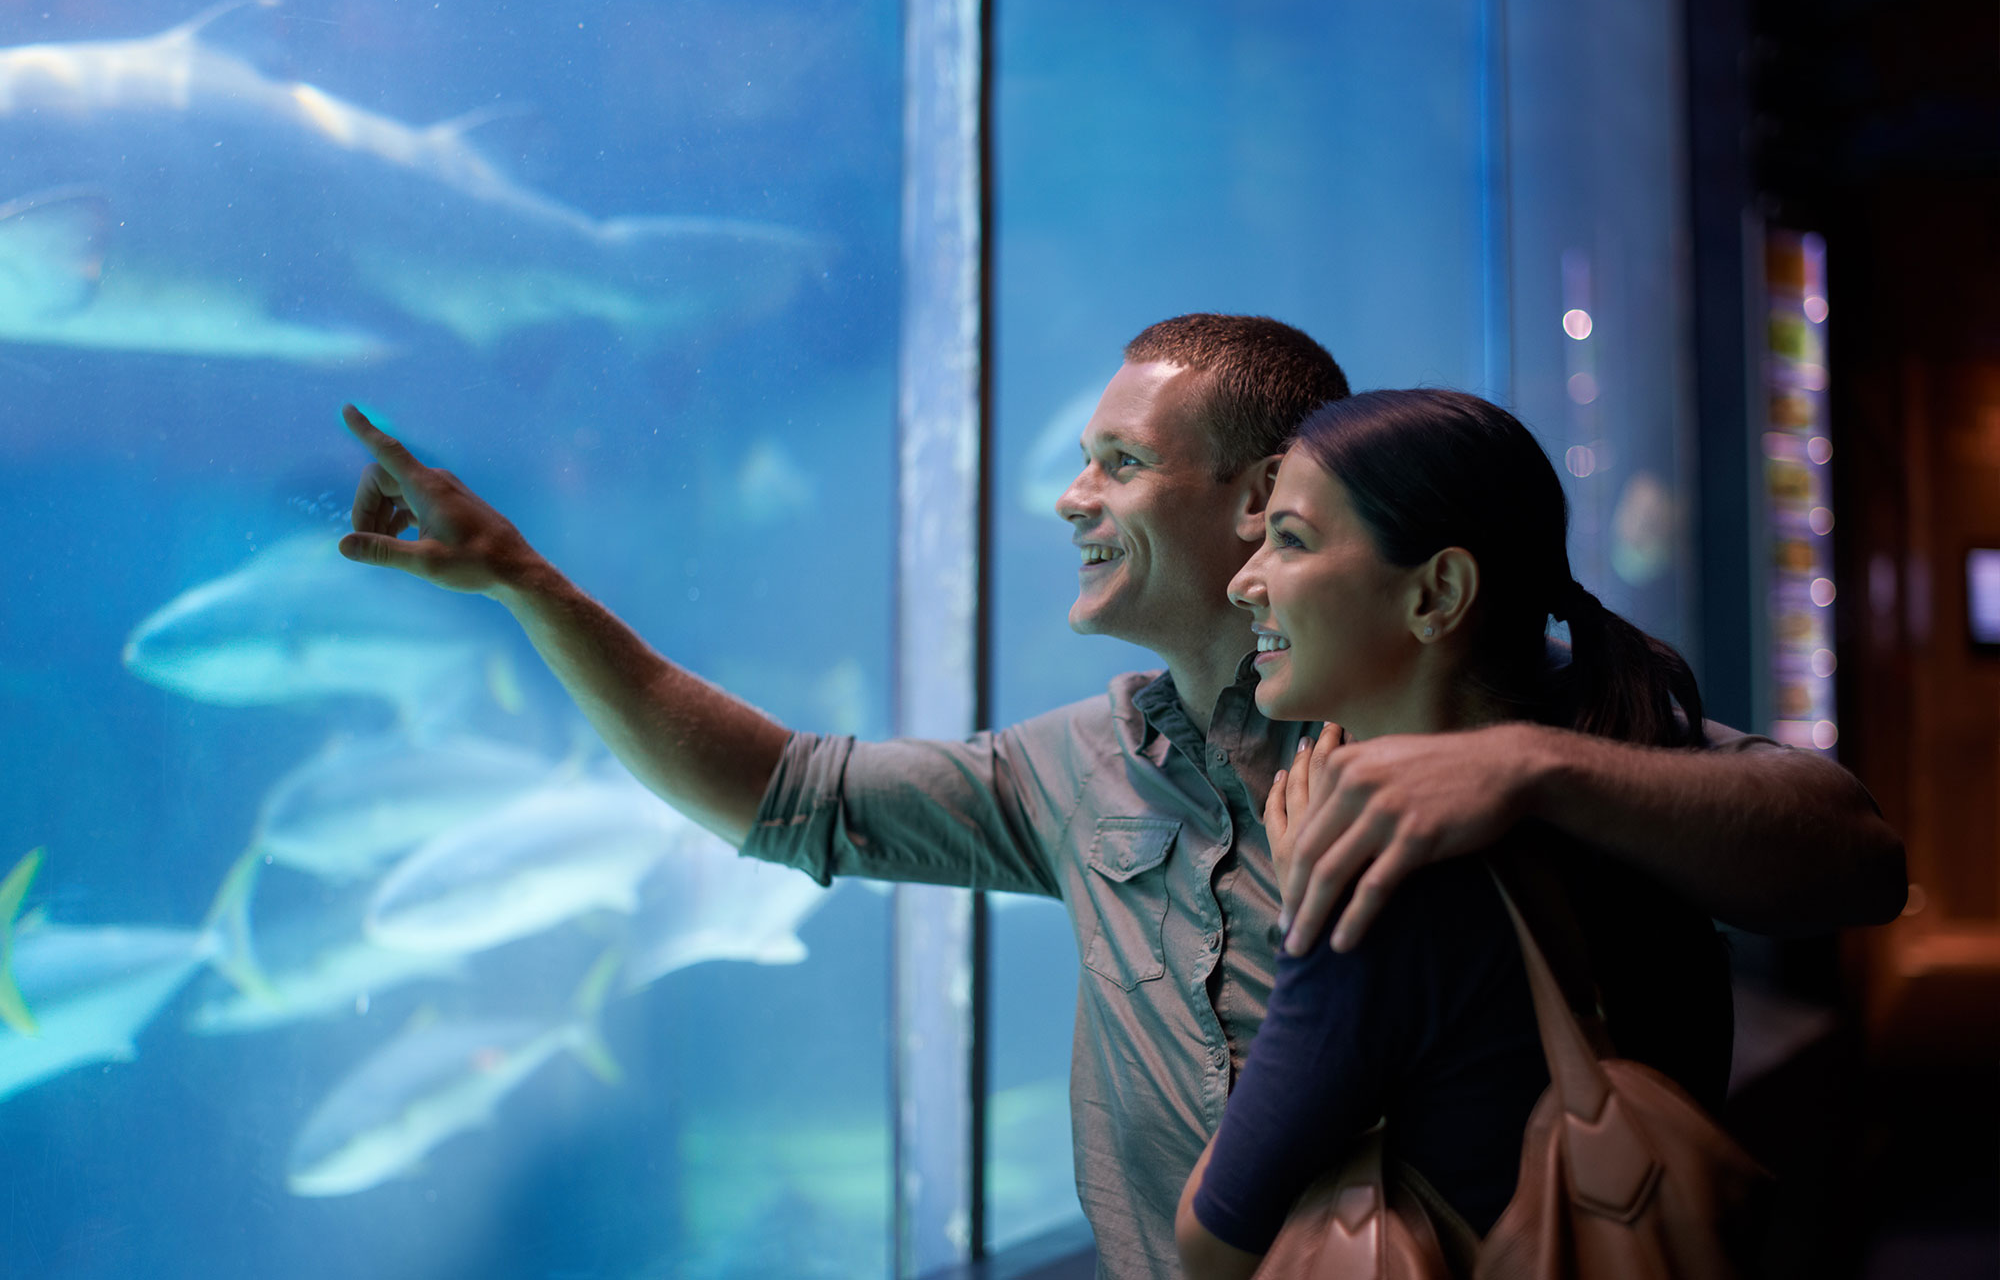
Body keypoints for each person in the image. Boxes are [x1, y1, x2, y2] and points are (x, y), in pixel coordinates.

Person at [337, 314, 1902, 1280]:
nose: (1071, 496)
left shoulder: (1517, 723)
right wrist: (529, 586)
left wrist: (1535, 766)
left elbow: (1852, 855)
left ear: (1255, 495)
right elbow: (784, 792)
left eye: (1116, 461)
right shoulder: (1076, 771)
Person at [1177, 387, 1741, 1277]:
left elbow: (1212, 1238)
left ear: (1436, 593)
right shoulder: (1635, 811)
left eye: (1289, 539)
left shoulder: (1382, 888)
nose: (1243, 580)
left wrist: (1309, 924)